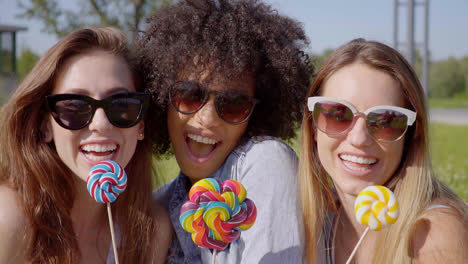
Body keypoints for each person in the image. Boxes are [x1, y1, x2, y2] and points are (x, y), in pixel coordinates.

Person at [138, 0, 313, 263]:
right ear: (162, 97)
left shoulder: (267, 163)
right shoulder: (156, 208)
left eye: (233, 105)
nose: (206, 118)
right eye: (189, 95)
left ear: (256, 112)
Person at [0, 27, 172, 263]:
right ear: (44, 125)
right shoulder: (10, 220)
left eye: (122, 105)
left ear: (141, 124)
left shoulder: (152, 231)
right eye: (73, 107)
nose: (100, 124)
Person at [298, 38, 468, 264]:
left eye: (385, 121)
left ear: (411, 134)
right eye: (338, 115)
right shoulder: (319, 222)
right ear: (313, 127)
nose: (359, 139)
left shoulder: (433, 234)